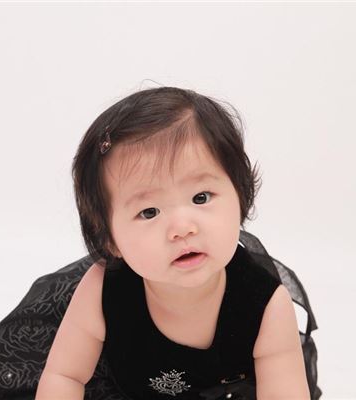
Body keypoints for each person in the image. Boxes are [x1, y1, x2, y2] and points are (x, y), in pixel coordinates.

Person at [35, 86, 311, 399]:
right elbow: (65, 375)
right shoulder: (102, 291)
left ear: (240, 196)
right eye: (149, 212)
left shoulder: (265, 303)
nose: (182, 229)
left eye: (201, 197)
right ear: (109, 239)